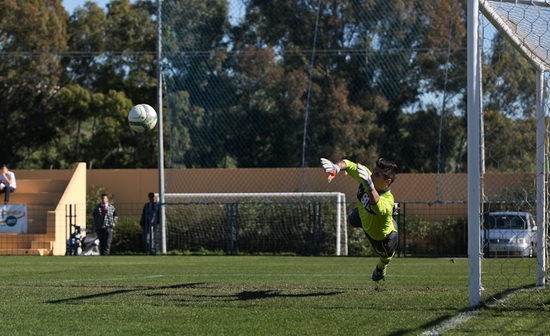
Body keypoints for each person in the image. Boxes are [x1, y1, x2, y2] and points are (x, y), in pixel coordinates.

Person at [321, 157, 398, 282]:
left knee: (386, 257)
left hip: (382, 235)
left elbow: (377, 206)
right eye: (373, 172)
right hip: (363, 218)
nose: (372, 176)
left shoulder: (388, 200)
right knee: (350, 221)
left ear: (388, 181)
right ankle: (363, 222)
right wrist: (336, 168)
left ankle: (381, 268)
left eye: (377, 175)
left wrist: (369, 186)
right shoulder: (367, 177)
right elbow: (349, 164)